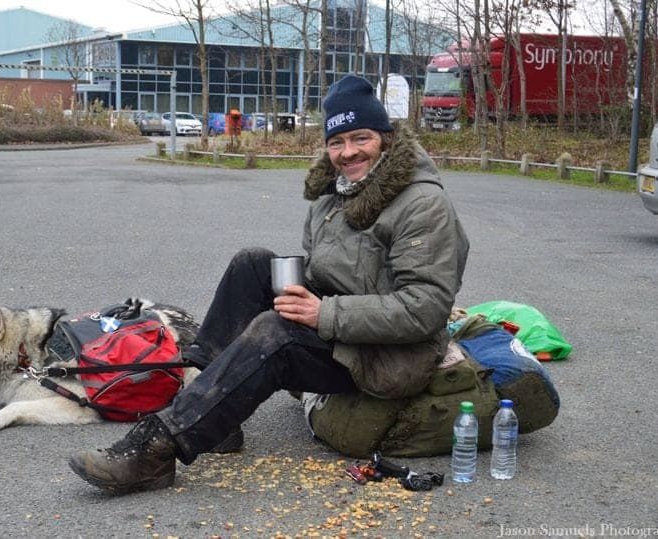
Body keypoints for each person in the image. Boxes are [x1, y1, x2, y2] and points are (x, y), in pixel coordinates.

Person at [69, 74, 470, 493]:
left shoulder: (422, 204)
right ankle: (211, 414)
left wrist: (322, 313)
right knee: (254, 263)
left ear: (385, 138)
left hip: (390, 358)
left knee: (274, 332)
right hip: (345, 328)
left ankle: (156, 449)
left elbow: (424, 308)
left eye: (361, 138)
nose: (348, 152)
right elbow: (333, 272)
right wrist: (302, 286)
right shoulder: (335, 196)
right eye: (337, 142)